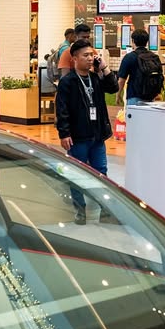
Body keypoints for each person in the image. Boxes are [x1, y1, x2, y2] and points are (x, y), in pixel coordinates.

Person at [55, 39, 119, 223]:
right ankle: (80, 209)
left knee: (101, 171)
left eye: (92, 54)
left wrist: (104, 67)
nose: (90, 58)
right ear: (74, 58)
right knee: (76, 173)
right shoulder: (68, 82)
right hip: (77, 136)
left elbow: (113, 87)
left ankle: (105, 210)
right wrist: (64, 133)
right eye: (86, 55)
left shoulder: (96, 77)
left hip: (97, 135)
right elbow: (62, 109)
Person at [116, 29, 164, 103]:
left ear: (133, 41)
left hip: (134, 96)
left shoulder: (129, 57)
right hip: (151, 96)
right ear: (146, 42)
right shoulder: (154, 57)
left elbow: (121, 80)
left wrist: (118, 94)